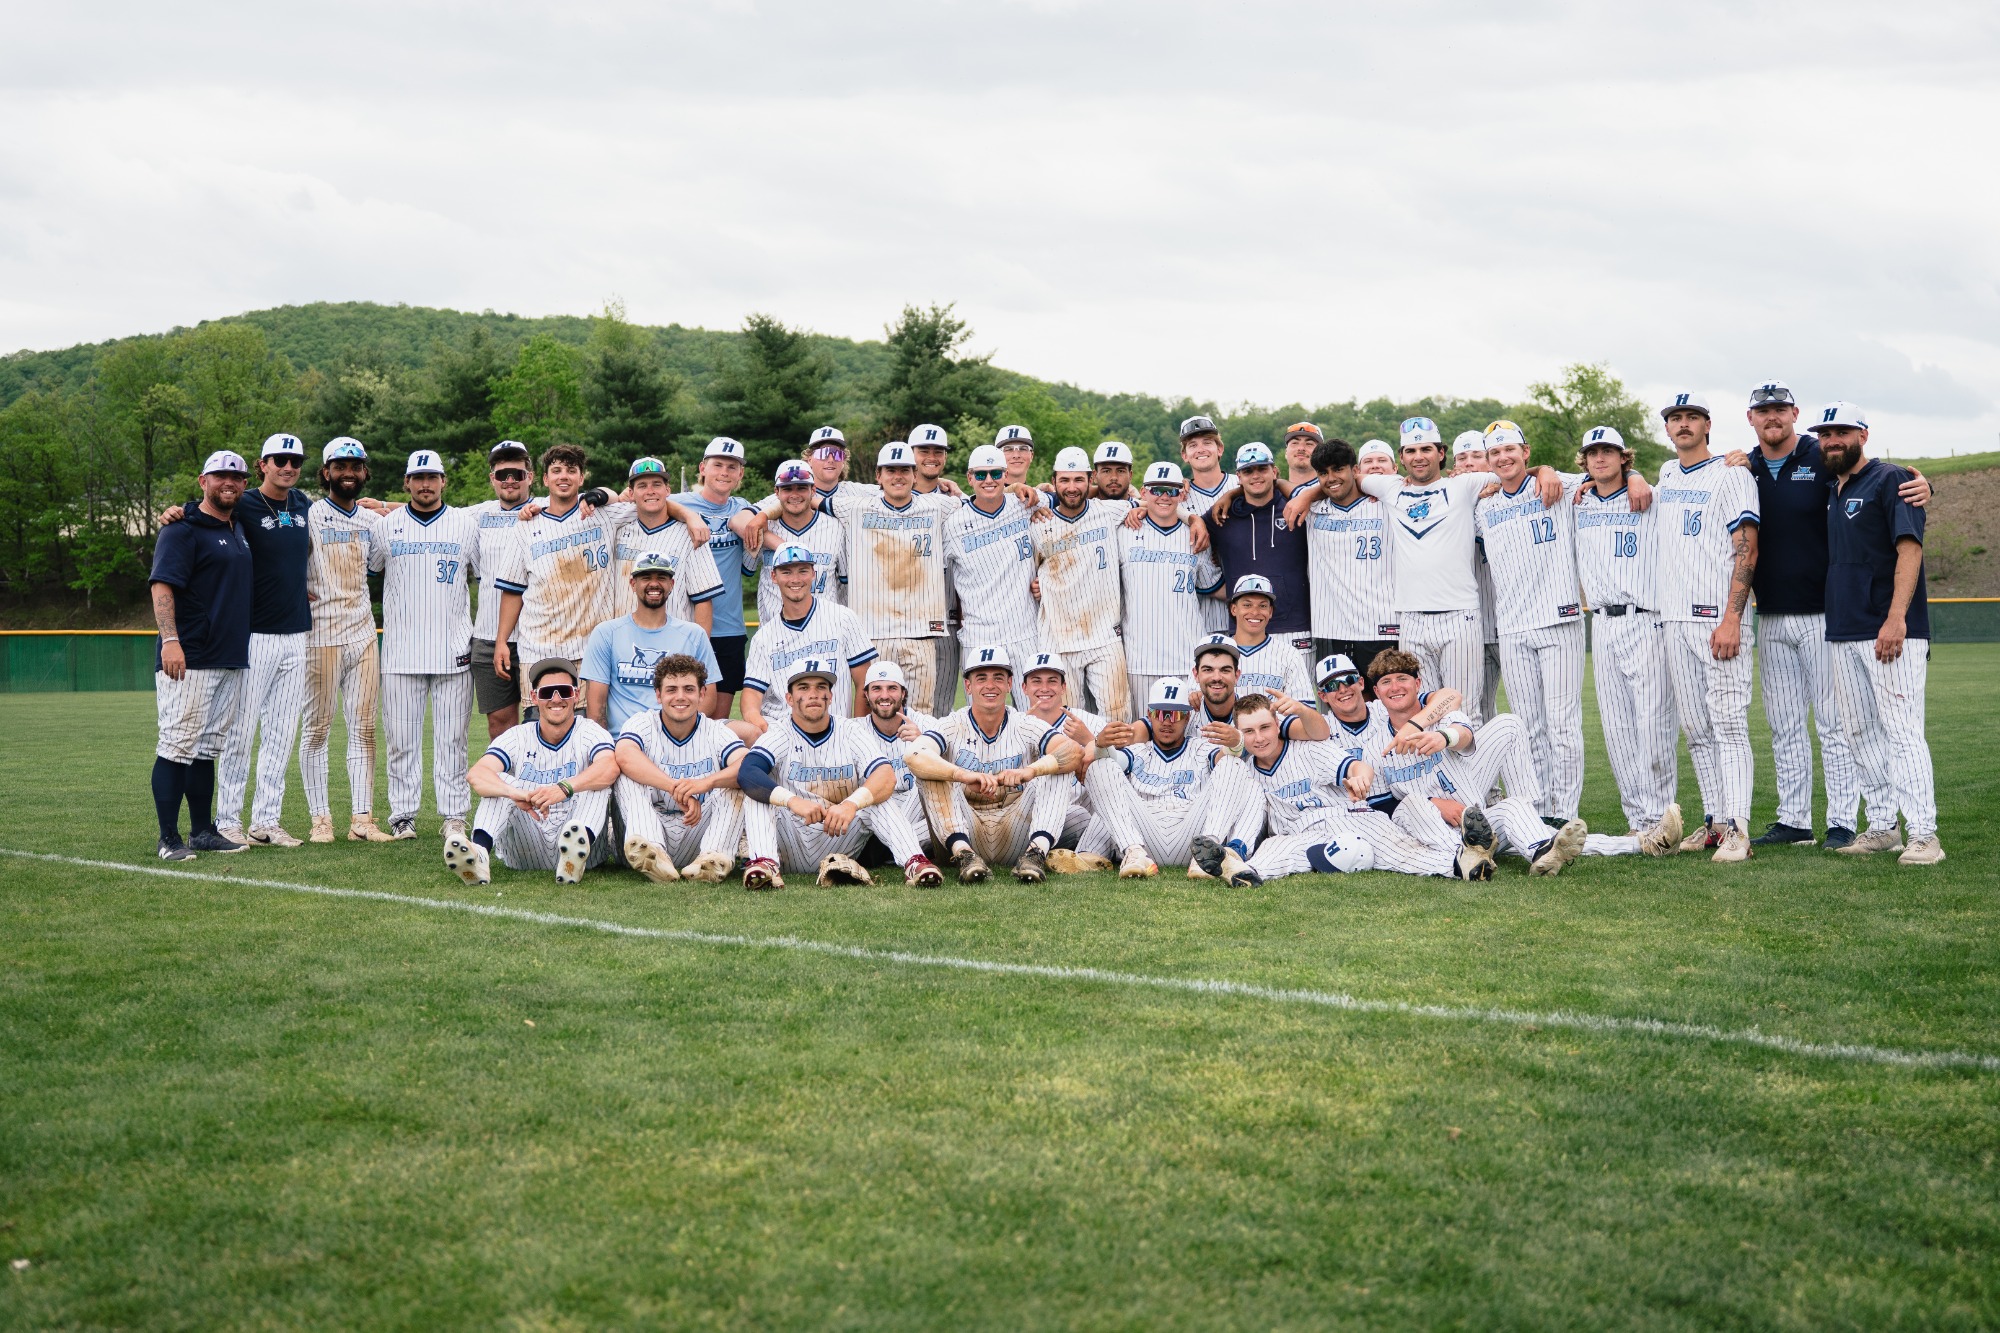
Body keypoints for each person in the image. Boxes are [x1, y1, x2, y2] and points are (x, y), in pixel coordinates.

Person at [1731, 380, 1929, 850]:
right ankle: (1794, 819)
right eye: (1763, 411)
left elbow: (1883, 481)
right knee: (1784, 726)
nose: (1772, 416)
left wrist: (1923, 484)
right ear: (1751, 418)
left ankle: (1842, 820)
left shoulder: (1819, 458)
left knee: (1835, 725)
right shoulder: (1744, 466)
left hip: (1827, 613)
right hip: (1773, 613)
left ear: (1795, 413)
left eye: (1780, 408)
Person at [1298, 417, 1559, 721]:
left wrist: (1544, 469)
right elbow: (1339, 482)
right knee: (1422, 713)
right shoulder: (1388, 487)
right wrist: (1306, 494)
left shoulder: (1463, 484)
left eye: (1426, 449)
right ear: (1402, 457)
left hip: (1459, 615)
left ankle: (1472, 771)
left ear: (1441, 453)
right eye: (1411, 450)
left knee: (1465, 712)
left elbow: (1511, 473)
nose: (1418, 456)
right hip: (1411, 620)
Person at [1358, 652, 1667, 874]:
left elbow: (1463, 732)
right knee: (1412, 803)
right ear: (1376, 692)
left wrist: (1444, 738)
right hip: (1432, 829)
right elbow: (1383, 808)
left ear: (1417, 683)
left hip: (1475, 820)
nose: (1395, 686)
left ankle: (1630, 845)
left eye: (1403, 678)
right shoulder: (1376, 744)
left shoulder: (1437, 714)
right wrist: (1433, 804)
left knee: (1519, 805)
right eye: (1386, 681)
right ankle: (1466, 857)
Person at [1816, 402, 1943, 865]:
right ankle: (1883, 825)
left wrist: (1896, 618)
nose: (1833, 440)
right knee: (1860, 732)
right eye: (1826, 433)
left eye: (1842, 432)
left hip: (1890, 630)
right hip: (1844, 627)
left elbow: (1909, 548)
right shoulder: (1833, 484)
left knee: (1902, 732)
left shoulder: (1889, 479)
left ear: (1863, 435)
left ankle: (1925, 834)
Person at [1654, 391, 1760, 861]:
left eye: (1692, 417)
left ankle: (1739, 827)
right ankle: (1715, 822)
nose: (1683, 424)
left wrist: (1733, 617)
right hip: (1674, 618)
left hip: (1717, 619)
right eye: (1675, 418)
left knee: (1729, 724)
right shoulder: (1665, 473)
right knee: (1696, 728)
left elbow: (1747, 547)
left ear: (1707, 425)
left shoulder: (1732, 473)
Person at [736, 658, 945, 890]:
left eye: (821, 687)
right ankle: (765, 864)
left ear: (830, 696)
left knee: (875, 798)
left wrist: (850, 805)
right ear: (789, 698)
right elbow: (748, 772)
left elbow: (885, 776)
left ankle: (915, 863)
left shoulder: (850, 730)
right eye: (804, 688)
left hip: (841, 835)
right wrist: (793, 801)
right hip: (792, 834)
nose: (813, 694)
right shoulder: (779, 733)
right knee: (757, 795)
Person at [1473, 424, 1594, 823]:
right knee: (1528, 729)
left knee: (1563, 725)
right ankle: (1538, 811)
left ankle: (1566, 812)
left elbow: (1606, 471)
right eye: (1495, 453)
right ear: (1489, 462)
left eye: (1510, 449)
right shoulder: (1484, 506)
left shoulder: (1556, 484)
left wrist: (1545, 470)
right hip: (1511, 628)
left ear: (1526, 452)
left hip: (1558, 619)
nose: (1503, 458)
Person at [1569, 426, 1681, 842]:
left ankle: (1662, 817)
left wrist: (1638, 479)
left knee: (1653, 723)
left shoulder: (1647, 496)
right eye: (1592, 453)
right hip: (1600, 620)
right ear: (1584, 461)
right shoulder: (1577, 501)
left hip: (1645, 617)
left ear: (1623, 457)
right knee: (1616, 727)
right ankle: (1637, 820)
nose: (1600, 459)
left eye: (1608, 452)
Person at [368, 449, 483, 840]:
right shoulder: (386, 527)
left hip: (454, 650)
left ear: (443, 481)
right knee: (401, 743)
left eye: (432, 477)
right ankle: (403, 816)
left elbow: (483, 575)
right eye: (418, 478)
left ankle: (453, 815)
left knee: (453, 741)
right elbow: (367, 570)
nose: (425, 484)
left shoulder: (466, 525)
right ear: (407, 483)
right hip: (400, 652)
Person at [147, 450, 255, 861]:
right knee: (177, 744)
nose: (229, 482)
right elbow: (162, 587)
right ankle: (168, 838)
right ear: (203, 481)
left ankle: (203, 832)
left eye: (236, 476)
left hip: (228, 656)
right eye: (220, 476)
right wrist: (170, 640)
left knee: (207, 748)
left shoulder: (238, 526)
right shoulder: (182, 529)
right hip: (189, 657)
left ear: (245, 483)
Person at [210, 433, 313, 847]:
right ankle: (227, 819)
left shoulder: (303, 502)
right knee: (240, 731)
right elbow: (204, 510)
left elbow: (358, 509)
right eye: (280, 460)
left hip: (296, 633)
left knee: (282, 733)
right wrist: (172, 512)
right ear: (262, 464)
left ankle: (266, 821)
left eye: (295, 460)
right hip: (254, 634)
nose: (288, 467)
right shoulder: (247, 502)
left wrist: (384, 505)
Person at [903, 648, 1083, 884]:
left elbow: (1072, 751)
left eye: (998, 678)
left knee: (1057, 768)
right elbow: (914, 754)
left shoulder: (1024, 723)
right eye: (981, 678)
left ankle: (1036, 854)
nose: (990, 685)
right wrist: (961, 775)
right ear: (968, 686)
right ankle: (964, 856)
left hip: (1016, 829)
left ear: (1009, 684)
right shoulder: (952, 724)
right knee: (932, 773)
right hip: (965, 831)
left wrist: (1029, 771)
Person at [1059, 676, 1264, 882]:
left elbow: (1225, 758)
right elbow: (1112, 761)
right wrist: (1100, 745)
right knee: (1099, 765)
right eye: (1160, 713)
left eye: (1175, 714)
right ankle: (1133, 853)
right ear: (1149, 715)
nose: (1167, 721)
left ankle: (1209, 855)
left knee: (1233, 763)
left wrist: (1236, 743)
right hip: (1145, 837)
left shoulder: (1200, 748)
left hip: (1192, 836)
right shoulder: (1138, 751)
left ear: (1187, 717)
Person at [445, 658, 619, 886]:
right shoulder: (517, 735)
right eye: (547, 692)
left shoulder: (590, 731)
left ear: (576, 695)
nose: (556, 699)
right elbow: (477, 775)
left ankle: (574, 856)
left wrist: (564, 788)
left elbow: (609, 767)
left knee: (597, 782)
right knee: (500, 781)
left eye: (564, 691)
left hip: (585, 846)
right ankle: (478, 855)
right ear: (535, 697)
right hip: (527, 843)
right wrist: (514, 792)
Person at [490, 443, 635, 714]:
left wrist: (604, 495)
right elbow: (513, 590)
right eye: (556, 470)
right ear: (545, 479)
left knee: (592, 732)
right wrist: (501, 641)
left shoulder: (604, 515)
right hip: (539, 648)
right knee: (539, 726)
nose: (563, 476)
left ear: (582, 477)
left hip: (592, 650)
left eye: (571, 470)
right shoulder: (526, 525)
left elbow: (650, 503)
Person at [821, 439, 960, 713]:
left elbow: (987, 498)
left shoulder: (940, 506)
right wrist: (760, 516)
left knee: (920, 715)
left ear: (915, 474)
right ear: (878, 476)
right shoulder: (855, 508)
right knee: (876, 713)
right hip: (873, 634)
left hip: (921, 632)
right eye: (890, 470)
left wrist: (1021, 488)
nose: (898, 476)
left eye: (904, 470)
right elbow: (802, 499)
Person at [301, 436, 393, 843]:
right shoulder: (309, 514)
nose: (349, 473)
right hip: (320, 634)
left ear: (364, 472)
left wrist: (387, 506)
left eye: (355, 467)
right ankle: (321, 819)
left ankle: (362, 820)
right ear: (326, 472)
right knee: (317, 729)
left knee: (365, 729)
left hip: (362, 634)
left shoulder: (373, 521)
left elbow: (376, 566)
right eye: (340, 466)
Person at [614, 652, 745, 884]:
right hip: (650, 826)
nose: (680, 697)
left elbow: (746, 764)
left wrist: (706, 783)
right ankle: (652, 852)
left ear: (702, 693)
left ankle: (712, 859)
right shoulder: (643, 723)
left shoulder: (716, 731)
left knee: (735, 785)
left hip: (698, 831)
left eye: (689, 689)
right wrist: (677, 788)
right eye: (671, 689)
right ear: (658, 695)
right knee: (625, 776)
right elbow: (624, 754)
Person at [1027, 446, 1132, 720]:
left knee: (1117, 718)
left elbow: (1155, 505)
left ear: (1090, 480)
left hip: (1104, 636)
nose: (1071, 487)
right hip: (1058, 639)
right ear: (1054, 482)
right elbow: (1029, 575)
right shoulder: (1037, 522)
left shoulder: (1109, 511)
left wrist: (1192, 519)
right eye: (1064, 480)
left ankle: (1114, 765)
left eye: (1078, 480)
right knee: (1066, 722)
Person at [1231, 693, 1378, 887]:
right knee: (1274, 846)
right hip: (1298, 835)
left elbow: (1357, 767)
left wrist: (1361, 778)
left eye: (1265, 727)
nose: (1259, 738)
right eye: (1248, 731)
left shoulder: (1307, 749)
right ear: (1239, 734)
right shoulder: (1246, 772)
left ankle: (1432, 862)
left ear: (1277, 724)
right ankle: (1243, 874)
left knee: (1397, 851)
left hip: (1343, 818)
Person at [944, 444, 1045, 707]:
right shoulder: (952, 523)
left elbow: (1072, 498)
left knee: (1036, 719)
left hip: (1026, 633)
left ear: (1005, 474)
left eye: (995, 474)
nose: (989, 480)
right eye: (981, 475)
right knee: (981, 720)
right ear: (969, 478)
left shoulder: (1026, 504)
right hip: (979, 636)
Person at [739, 544, 877, 733]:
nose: (795, 579)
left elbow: (864, 682)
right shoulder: (764, 637)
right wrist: (762, 728)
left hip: (835, 731)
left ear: (813, 574)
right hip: (784, 734)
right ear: (774, 577)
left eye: (802, 571)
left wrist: (858, 731)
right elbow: (751, 695)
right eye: (786, 572)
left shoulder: (843, 618)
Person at [1205, 442, 1314, 682]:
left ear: (1274, 472)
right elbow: (1186, 525)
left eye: (1262, 469)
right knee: (1248, 709)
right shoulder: (1222, 515)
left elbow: (1323, 490)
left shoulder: (1297, 508)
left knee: (1297, 707)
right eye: (1248, 471)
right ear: (1239, 477)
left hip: (1295, 626)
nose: (1256, 475)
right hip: (1244, 630)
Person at [1118, 462, 1224, 706]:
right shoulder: (1123, 531)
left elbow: (1213, 587)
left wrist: (1249, 600)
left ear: (1182, 494)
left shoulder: (1196, 536)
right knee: (1143, 736)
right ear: (1143, 493)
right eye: (1157, 490)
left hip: (1188, 659)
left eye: (1172, 490)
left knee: (1193, 737)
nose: (1164, 496)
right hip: (1139, 660)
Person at [671, 436, 763, 719]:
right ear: (703, 468)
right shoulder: (677, 502)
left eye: (732, 467)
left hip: (729, 627)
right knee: (681, 712)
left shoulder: (742, 507)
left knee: (718, 722)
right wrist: (689, 515)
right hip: (687, 624)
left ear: (740, 474)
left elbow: (748, 566)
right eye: (718, 465)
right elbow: (638, 500)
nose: (724, 472)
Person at [581, 553, 721, 734]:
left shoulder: (694, 634)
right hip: (625, 739)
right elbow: (596, 706)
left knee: (748, 733)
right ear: (633, 584)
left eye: (661, 578)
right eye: (646, 577)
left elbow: (708, 698)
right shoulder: (607, 633)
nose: (654, 584)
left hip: (678, 737)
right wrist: (606, 746)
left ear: (671, 584)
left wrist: (679, 736)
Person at [1304, 438, 1398, 697]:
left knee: (1384, 706)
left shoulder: (1387, 505)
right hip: (1330, 629)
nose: (1331, 478)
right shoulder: (1312, 510)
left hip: (1381, 625)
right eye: (1323, 473)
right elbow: (1278, 485)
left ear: (1355, 470)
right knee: (1337, 706)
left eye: (1338, 469)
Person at [467, 442, 536, 743]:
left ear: (530, 477)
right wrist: (380, 506)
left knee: (541, 721)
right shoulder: (477, 514)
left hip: (537, 634)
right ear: (492, 478)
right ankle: (505, 790)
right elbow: (430, 509)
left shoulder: (548, 507)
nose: (510, 479)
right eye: (502, 473)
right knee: (500, 726)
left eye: (517, 473)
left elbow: (610, 498)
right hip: (488, 635)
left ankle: (538, 788)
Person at [610, 456, 723, 628]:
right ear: (631, 493)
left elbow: (703, 600)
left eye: (656, 484)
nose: (650, 491)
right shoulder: (617, 530)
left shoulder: (691, 533)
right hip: (624, 642)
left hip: (675, 643)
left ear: (667, 490)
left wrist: (701, 651)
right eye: (642, 485)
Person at [842, 659, 937, 843]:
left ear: (903, 693)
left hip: (915, 814)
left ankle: (887, 846)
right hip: (874, 816)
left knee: (932, 793)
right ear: (866, 695)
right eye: (877, 688)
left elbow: (951, 773)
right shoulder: (852, 730)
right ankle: (902, 845)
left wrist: (924, 744)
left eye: (892, 688)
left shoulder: (926, 725)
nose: (884, 695)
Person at [752, 459, 843, 627]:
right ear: (776, 492)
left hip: (825, 631)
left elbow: (844, 581)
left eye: (801, 487)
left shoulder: (836, 527)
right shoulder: (763, 528)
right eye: (787, 488)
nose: (794, 494)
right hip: (775, 635)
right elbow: (746, 568)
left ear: (813, 490)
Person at [1456, 428, 1504, 721]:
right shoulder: (1446, 501)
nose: (1469, 462)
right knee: (1478, 709)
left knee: (1527, 708)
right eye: (1462, 457)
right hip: (1469, 626)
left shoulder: (1507, 494)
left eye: (1477, 456)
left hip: (1507, 620)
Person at [1216, 575, 1317, 702]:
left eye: (1262, 606)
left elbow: (1305, 709)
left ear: (1270, 611)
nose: (1254, 612)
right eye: (1247, 605)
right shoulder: (1213, 651)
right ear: (1234, 609)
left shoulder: (1289, 654)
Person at [1177, 415, 1235, 633]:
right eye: (1192, 445)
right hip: (1200, 618)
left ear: (1219, 449)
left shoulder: (1242, 484)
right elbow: (1146, 500)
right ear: (1185, 455)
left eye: (1207, 442)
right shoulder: (1179, 497)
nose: (1200, 449)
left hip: (1248, 615)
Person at [1280, 421, 1322, 492]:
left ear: (1321, 453)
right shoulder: (1273, 494)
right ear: (1286, 452)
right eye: (1295, 443)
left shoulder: (1332, 493)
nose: (1301, 448)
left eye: (1309, 444)